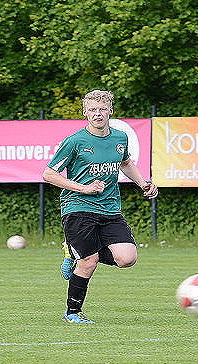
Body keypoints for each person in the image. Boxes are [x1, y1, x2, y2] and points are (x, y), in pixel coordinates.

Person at [43, 89, 158, 324]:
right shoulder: (75, 141)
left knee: (127, 258)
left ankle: (74, 250)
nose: (98, 113)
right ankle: (72, 313)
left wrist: (143, 183)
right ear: (85, 113)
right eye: (93, 110)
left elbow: (125, 163)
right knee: (89, 262)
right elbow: (49, 174)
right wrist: (83, 188)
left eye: (102, 109)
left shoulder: (120, 138)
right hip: (78, 207)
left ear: (110, 111)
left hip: (110, 209)